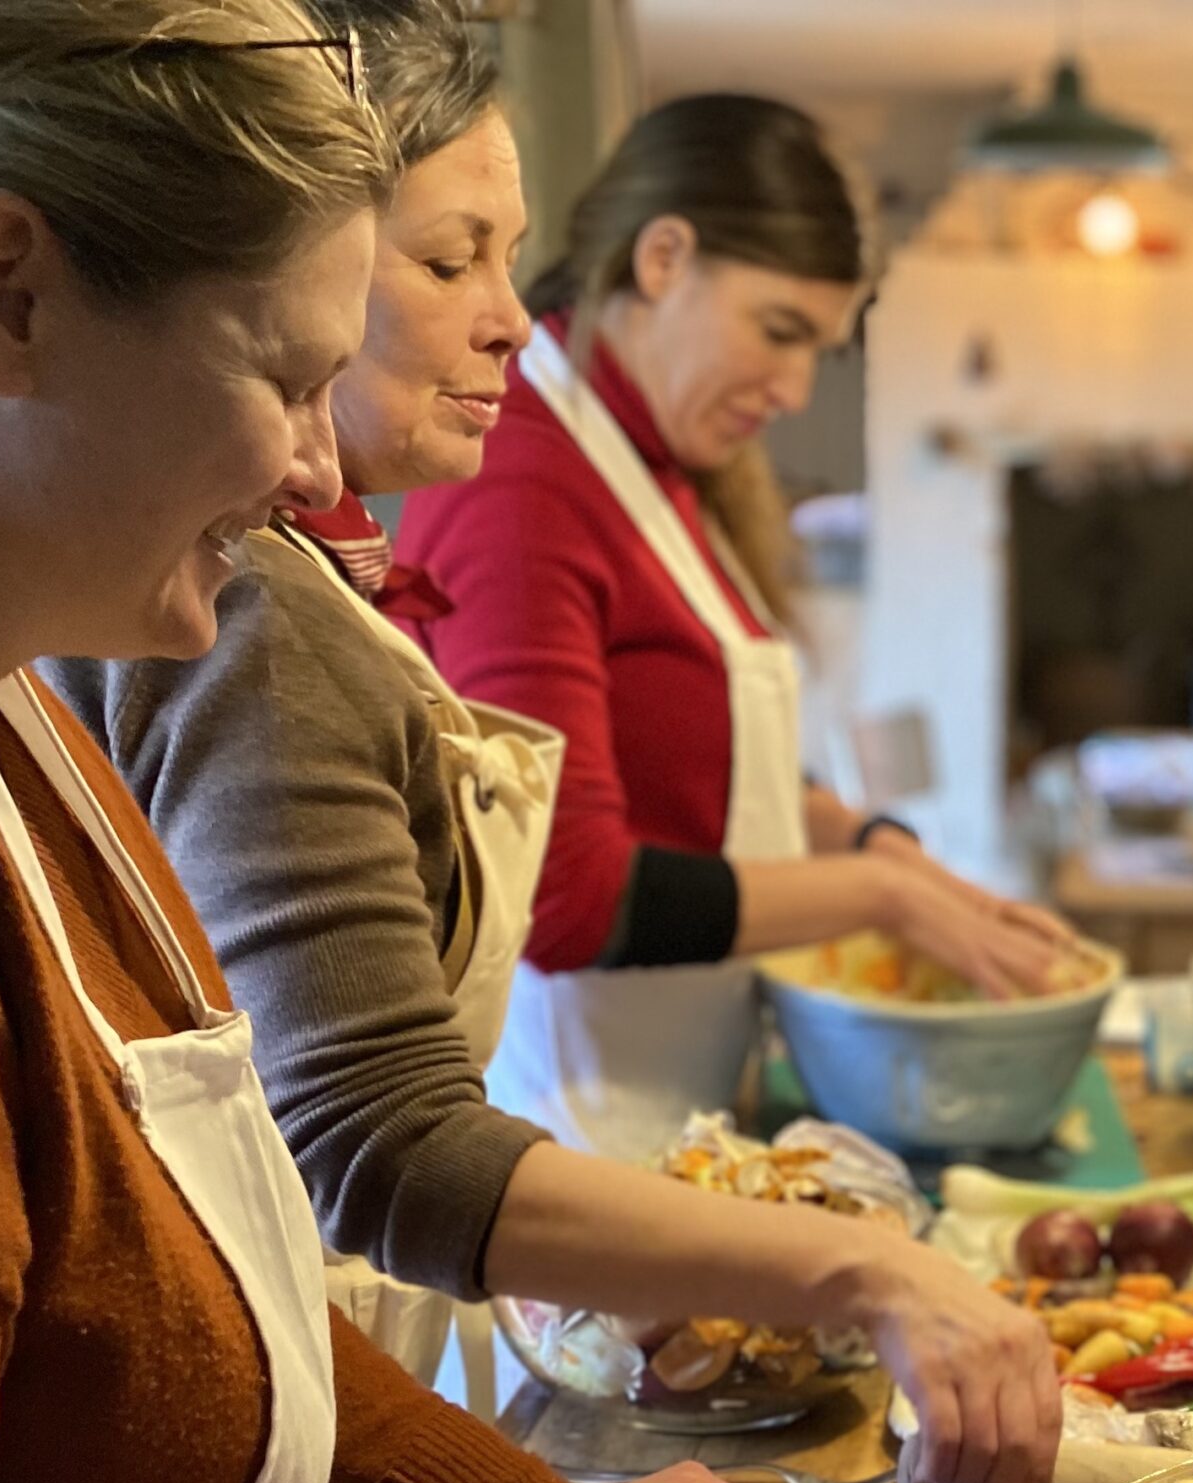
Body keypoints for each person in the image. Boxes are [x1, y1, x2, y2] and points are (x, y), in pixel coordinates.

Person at [0, 7, 795, 1483]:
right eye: (289, 380)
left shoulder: (3, 723)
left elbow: (207, 1295)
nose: (320, 474)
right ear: (4, 298)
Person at [45, 0, 1057, 1483]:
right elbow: (392, 1124)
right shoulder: (284, 593)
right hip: (467, 1220)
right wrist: (862, 1264)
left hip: (373, 1342)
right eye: (453, 259)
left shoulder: (337, 563)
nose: (510, 315)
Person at [394, 93, 1070, 1170]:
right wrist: (881, 894)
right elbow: (567, 898)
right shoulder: (524, 478)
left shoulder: (650, 464)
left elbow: (714, 776)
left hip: (677, 1108)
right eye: (779, 331)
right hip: (575, 1136)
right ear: (664, 258)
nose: (794, 388)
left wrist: (887, 852)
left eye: (821, 350)